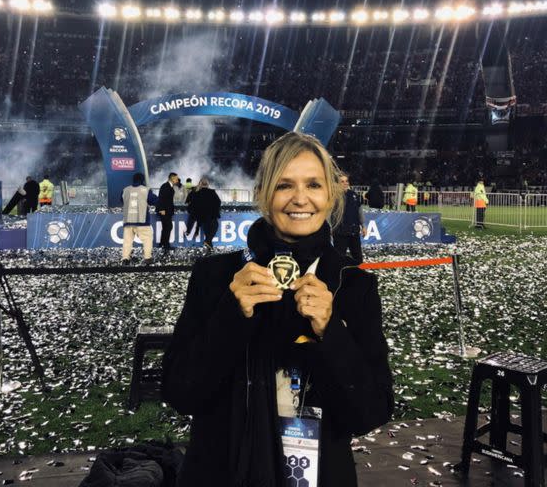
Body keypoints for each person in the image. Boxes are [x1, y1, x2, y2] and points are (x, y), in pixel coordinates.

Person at [162, 132, 393, 487]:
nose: (300, 199)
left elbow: (370, 411)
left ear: (331, 196)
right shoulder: (216, 276)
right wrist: (231, 314)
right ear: (262, 195)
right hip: (221, 473)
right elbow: (180, 392)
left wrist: (330, 332)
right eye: (284, 185)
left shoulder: (353, 285)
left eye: (314, 184)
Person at [121, 172, 158, 265]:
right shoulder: (146, 190)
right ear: (142, 180)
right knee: (147, 239)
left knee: (127, 241)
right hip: (142, 220)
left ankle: (125, 259)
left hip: (128, 221)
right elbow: (154, 201)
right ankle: (147, 258)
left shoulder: (125, 190)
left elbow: (122, 200)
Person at [332, 173, 366, 263]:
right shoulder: (333, 197)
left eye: (346, 181)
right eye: (342, 181)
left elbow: (359, 211)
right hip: (340, 233)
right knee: (339, 259)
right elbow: (328, 214)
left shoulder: (354, 195)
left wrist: (363, 226)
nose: (345, 183)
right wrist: (329, 229)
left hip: (354, 232)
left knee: (358, 258)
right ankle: (338, 276)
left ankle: (358, 275)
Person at [188, 177, 221, 249]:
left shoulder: (197, 194)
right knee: (214, 227)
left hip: (202, 217)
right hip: (211, 216)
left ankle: (209, 248)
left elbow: (193, 205)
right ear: (208, 184)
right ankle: (207, 241)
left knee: (207, 233)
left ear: (200, 184)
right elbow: (218, 202)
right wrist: (215, 211)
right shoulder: (212, 192)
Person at [155, 172, 178, 251]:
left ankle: (162, 243)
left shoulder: (170, 186)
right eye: (176, 178)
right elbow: (161, 198)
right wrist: (161, 209)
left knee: (166, 227)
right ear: (172, 178)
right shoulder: (165, 186)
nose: (177, 180)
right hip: (164, 211)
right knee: (168, 227)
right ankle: (166, 245)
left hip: (168, 211)